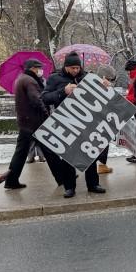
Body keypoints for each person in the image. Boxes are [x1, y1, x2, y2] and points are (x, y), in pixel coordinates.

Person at [42, 51, 106, 198]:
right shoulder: (54, 78)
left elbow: (98, 95)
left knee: (91, 153)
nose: (75, 71)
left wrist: (105, 87)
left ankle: (93, 184)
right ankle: (69, 187)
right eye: (72, 68)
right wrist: (63, 91)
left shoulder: (86, 77)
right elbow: (45, 98)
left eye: (78, 68)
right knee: (68, 157)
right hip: (66, 122)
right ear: (66, 67)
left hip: (87, 121)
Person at [4, 59, 62, 189]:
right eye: (38, 68)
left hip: (26, 123)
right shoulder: (30, 81)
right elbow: (37, 100)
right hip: (35, 123)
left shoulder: (21, 79)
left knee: (20, 153)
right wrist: (47, 116)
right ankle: (62, 177)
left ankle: (11, 180)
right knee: (50, 151)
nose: (40, 71)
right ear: (32, 68)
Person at [94, 64, 118, 174]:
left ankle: (102, 164)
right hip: (99, 118)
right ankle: (100, 165)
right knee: (101, 141)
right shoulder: (98, 86)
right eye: (109, 79)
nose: (110, 81)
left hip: (101, 117)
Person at [124, 59, 136, 164]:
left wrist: (126, 102)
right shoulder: (135, 75)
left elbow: (134, 94)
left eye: (128, 71)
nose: (127, 73)